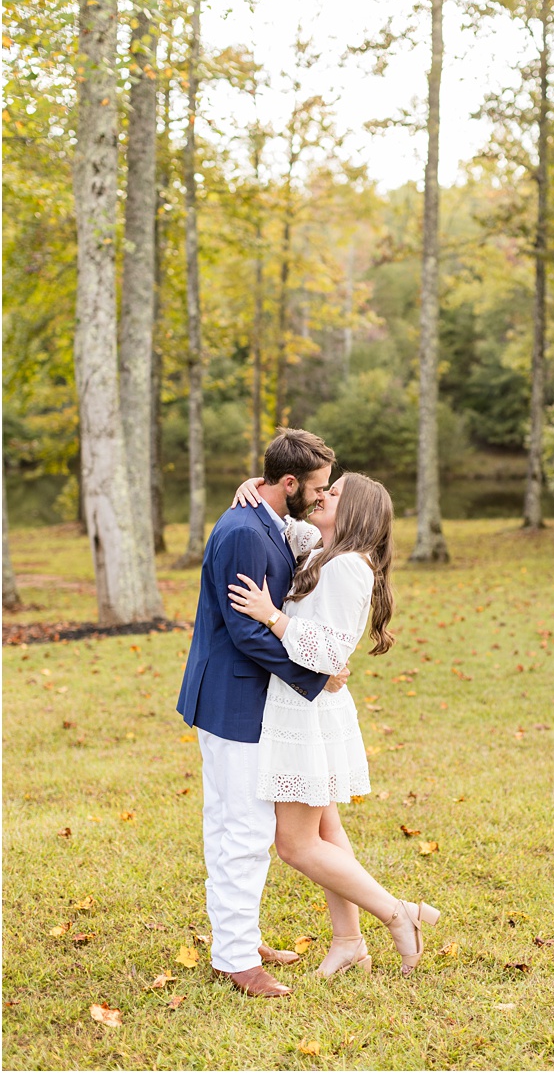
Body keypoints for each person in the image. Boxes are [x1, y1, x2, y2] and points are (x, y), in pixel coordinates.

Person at [227, 471, 440, 979]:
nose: (323, 495)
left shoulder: (348, 566)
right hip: (300, 706)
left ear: (357, 512)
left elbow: (328, 650)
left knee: (295, 844)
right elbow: (286, 519)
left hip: (308, 712)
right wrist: (253, 488)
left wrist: (270, 615)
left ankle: (397, 914)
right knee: (326, 827)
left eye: (336, 492)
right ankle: (348, 941)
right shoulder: (324, 552)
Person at [175, 427, 345, 998]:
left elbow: (300, 535)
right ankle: (236, 960)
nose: (323, 498)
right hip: (233, 699)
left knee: (230, 823)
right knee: (243, 829)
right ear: (289, 483)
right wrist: (317, 677)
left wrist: (257, 486)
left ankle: (236, 940)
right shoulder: (246, 531)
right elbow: (248, 633)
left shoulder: (264, 518)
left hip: (235, 697)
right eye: (317, 488)